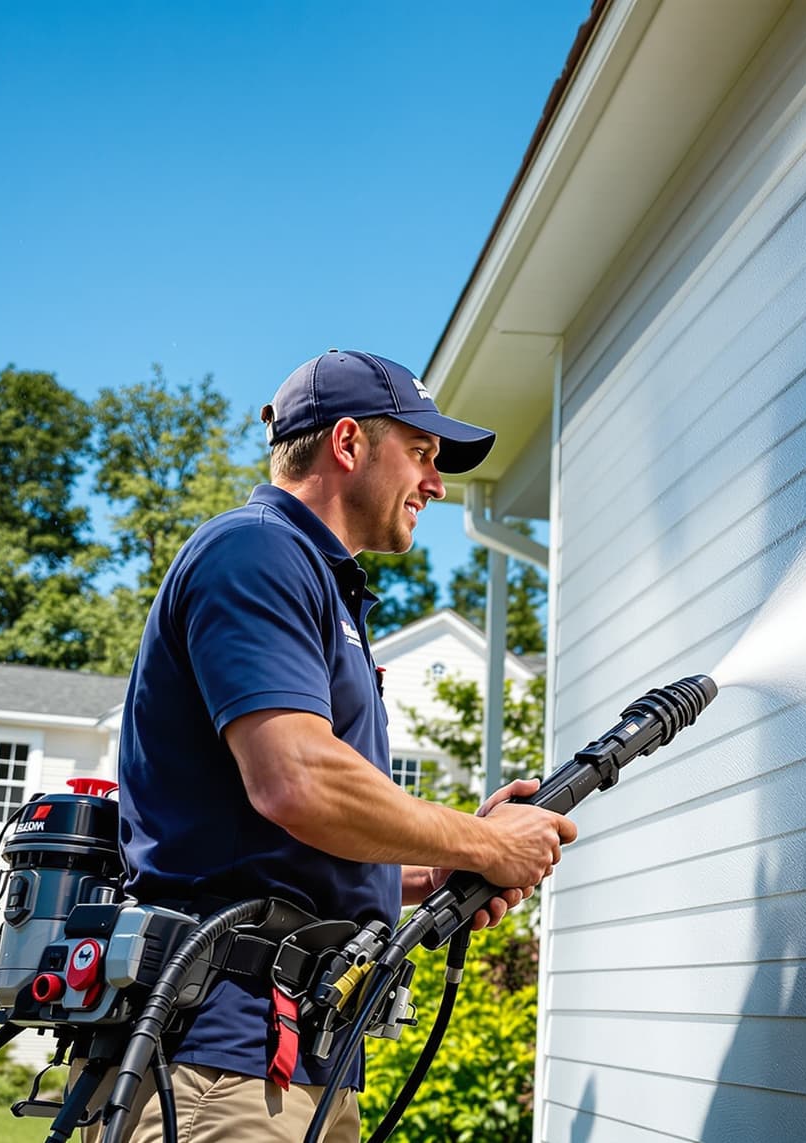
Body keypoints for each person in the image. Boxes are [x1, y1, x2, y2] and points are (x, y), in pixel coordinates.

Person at [99, 349, 576, 1142]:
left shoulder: (318, 584)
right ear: (348, 444)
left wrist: (434, 869)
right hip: (219, 1068)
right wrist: (486, 839)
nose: (437, 483)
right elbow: (296, 782)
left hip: (292, 1061)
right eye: (421, 454)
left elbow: (281, 848)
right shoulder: (253, 553)